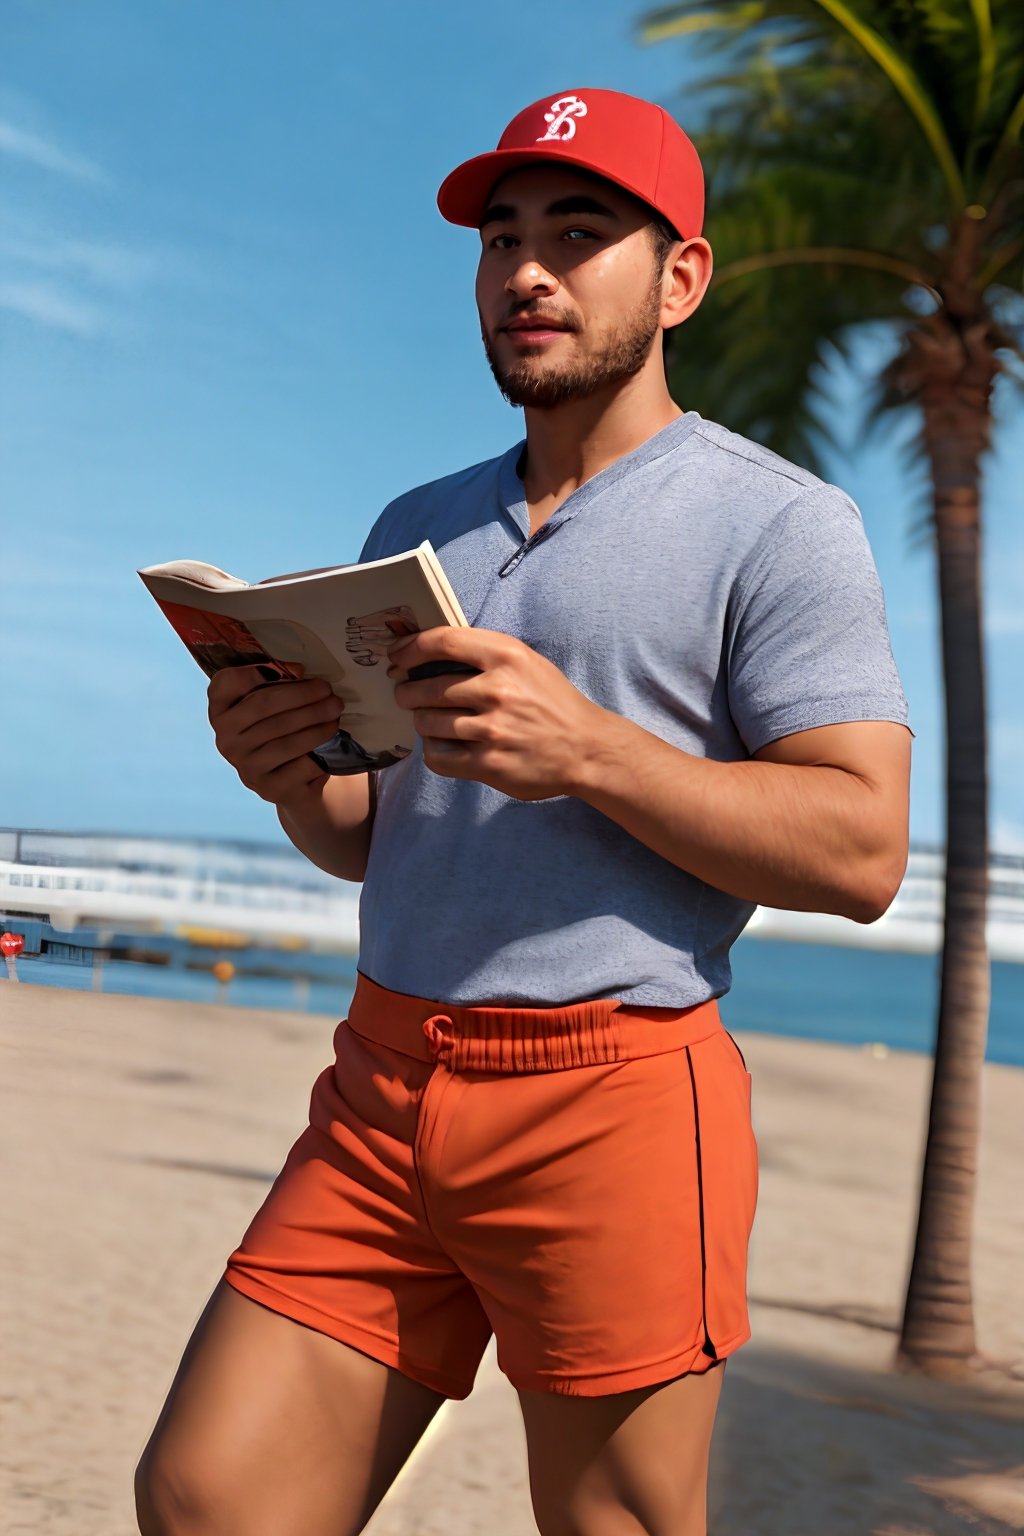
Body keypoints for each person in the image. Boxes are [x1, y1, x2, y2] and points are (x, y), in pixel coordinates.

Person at [135, 87, 913, 1536]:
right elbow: (375, 841)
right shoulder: (411, 525)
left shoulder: (783, 524)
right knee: (206, 1498)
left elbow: (864, 849)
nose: (528, 273)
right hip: (379, 1085)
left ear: (681, 277)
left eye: (579, 232)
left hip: (612, 1095)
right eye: (501, 242)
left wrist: (592, 751)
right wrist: (290, 769)